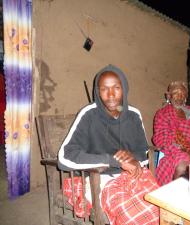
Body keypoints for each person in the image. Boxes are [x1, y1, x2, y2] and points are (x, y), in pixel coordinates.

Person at [58, 64, 159, 225]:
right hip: (99, 178)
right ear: (98, 91)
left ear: (124, 88)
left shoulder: (133, 115)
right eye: (104, 89)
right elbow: (64, 157)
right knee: (131, 214)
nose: (111, 95)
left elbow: (143, 152)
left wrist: (132, 157)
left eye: (116, 88)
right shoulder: (88, 115)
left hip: (132, 174)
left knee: (159, 206)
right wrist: (113, 160)